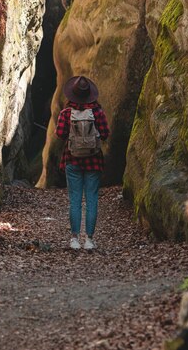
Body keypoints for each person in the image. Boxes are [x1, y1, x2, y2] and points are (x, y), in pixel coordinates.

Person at [55, 75, 110, 250]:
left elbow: (60, 134)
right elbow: (106, 133)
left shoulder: (66, 113)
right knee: (92, 199)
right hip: (94, 161)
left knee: (75, 200)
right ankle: (89, 240)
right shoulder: (97, 112)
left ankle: (74, 239)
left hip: (72, 160)